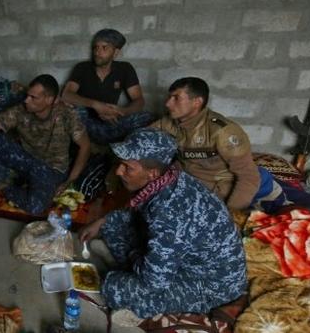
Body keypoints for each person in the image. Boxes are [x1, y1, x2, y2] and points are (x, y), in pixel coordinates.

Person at [78, 128, 246, 319]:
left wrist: (136, 256)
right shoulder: (171, 178)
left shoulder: (170, 212)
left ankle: (124, 272)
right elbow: (136, 215)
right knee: (113, 224)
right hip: (187, 258)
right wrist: (102, 221)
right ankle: (127, 265)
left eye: (128, 167)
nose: (118, 171)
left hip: (211, 285)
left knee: (113, 287)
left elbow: (154, 280)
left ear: (152, 173)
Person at [0, 75, 91, 219]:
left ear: (49, 100)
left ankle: (4, 186)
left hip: (52, 168)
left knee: (36, 206)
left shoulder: (67, 115)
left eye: (33, 97)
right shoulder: (20, 110)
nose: (26, 100)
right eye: (28, 95)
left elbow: (85, 146)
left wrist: (69, 180)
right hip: (27, 159)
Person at [150, 77, 280, 210]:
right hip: (191, 185)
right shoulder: (169, 122)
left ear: (197, 102)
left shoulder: (223, 132)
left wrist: (229, 215)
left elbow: (249, 177)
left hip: (220, 190)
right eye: (169, 97)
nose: (167, 103)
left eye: (176, 98)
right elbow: (142, 138)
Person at [62, 28, 152, 144]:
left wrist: (122, 111)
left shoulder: (125, 69)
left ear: (115, 53)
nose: (97, 52)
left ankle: (117, 148)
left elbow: (139, 100)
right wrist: (95, 105)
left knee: (147, 117)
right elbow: (66, 95)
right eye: (96, 47)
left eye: (104, 48)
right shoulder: (82, 68)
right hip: (87, 126)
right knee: (75, 111)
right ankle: (88, 147)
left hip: (112, 123)